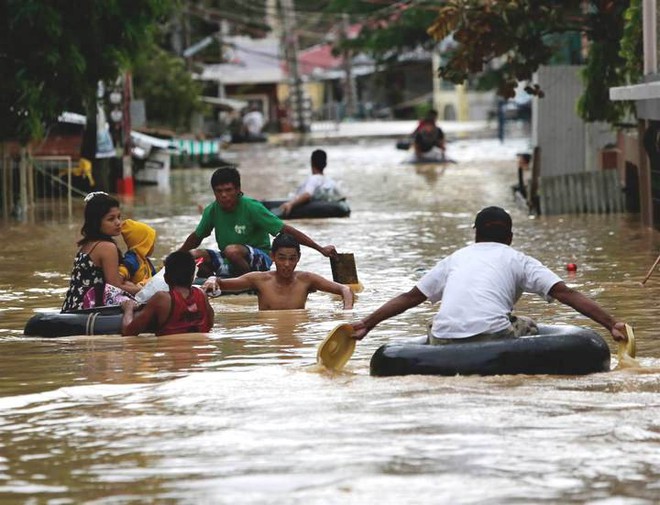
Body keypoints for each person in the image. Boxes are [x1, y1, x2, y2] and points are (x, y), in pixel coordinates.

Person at [351, 206, 628, 345]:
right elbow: (567, 294)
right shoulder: (519, 260)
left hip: (442, 340)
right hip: (492, 337)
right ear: (510, 237)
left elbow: (409, 297)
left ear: (476, 234)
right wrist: (611, 323)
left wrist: (367, 323)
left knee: (434, 322)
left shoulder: (455, 259)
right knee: (528, 324)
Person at [179, 166, 338, 279]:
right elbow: (196, 237)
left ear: (238, 189)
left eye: (228, 190)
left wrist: (320, 248)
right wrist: (176, 257)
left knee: (232, 251)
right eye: (219, 192)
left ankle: (251, 282)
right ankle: (217, 281)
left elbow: (286, 230)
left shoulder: (252, 207)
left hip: (259, 258)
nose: (224, 196)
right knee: (193, 256)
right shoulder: (211, 210)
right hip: (230, 258)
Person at [202, 233, 354, 310]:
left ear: (298, 258)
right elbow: (222, 283)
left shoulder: (306, 279)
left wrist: (347, 313)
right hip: (270, 335)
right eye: (282, 258)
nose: (287, 264)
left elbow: (344, 289)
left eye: (292, 258)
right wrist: (212, 279)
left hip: (298, 334)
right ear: (272, 257)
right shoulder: (259, 279)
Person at [61, 192, 141, 312]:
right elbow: (115, 287)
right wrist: (143, 292)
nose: (118, 223)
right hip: (89, 307)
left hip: (72, 304)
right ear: (96, 222)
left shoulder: (87, 244)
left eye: (119, 217)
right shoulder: (107, 247)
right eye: (111, 219)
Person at [121, 251, 214, 336]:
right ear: (193, 276)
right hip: (200, 351)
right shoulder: (202, 294)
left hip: (173, 352)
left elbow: (128, 332)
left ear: (165, 278)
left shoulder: (161, 298)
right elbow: (210, 325)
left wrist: (128, 309)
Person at [278, 149, 344, 217]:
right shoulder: (330, 181)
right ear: (325, 164)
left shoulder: (313, 179)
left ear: (312, 163)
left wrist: (290, 204)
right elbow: (341, 197)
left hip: (307, 206)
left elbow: (307, 195)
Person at [118, 219, 157, 286]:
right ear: (142, 244)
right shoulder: (132, 260)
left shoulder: (145, 261)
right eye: (151, 242)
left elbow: (154, 277)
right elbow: (118, 279)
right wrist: (132, 286)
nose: (153, 245)